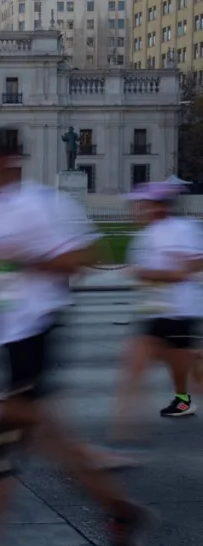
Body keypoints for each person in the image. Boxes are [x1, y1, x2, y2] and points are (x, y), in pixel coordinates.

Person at [0, 128, 149, 546]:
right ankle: (120, 509)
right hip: (5, 335)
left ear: (10, 161)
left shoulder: (44, 204)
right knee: (48, 442)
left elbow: (87, 257)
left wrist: (24, 258)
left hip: (38, 331)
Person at [109, 182, 203, 439]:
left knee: (145, 365)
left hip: (180, 311)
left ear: (159, 207)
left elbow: (183, 272)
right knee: (140, 364)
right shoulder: (144, 236)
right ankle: (126, 431)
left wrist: (143, 273)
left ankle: (124, 435)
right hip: (155, 311)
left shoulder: (182, 230)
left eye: (142, 205)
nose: (136, 211)